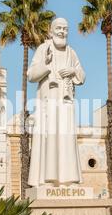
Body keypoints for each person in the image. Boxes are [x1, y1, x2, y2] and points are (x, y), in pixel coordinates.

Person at [27, 18, 85, 187]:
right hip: (49, 101)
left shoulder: (71, 52)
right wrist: (45, 65)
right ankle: (49, 179)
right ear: (51, 31)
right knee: (50, 137)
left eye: (65, 29)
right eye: (58, 28)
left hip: (66, 102)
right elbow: (31, 75)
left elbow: (82, 74)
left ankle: (70, 179)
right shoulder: (43, 49)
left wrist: (73, 70)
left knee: (67, 139)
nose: (62, 32)